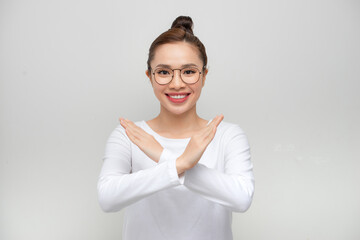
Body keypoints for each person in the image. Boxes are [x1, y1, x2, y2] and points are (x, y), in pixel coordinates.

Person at [97, 16, 254, 240]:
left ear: (204, 75)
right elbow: (107, 199)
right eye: (163, 72)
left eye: (189, 71)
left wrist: (162, 155)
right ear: (149, 76)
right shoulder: (129, 135)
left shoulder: (228, 135)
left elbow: (241, 198)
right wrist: (180, 163)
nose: (177, 83)